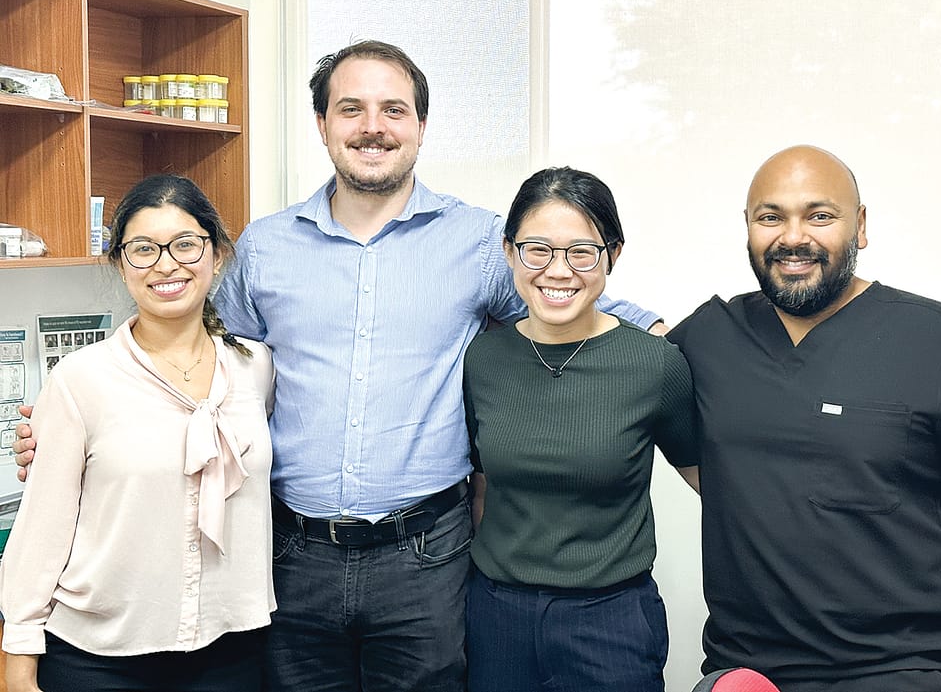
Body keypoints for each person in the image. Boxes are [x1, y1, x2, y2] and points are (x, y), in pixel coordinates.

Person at [12, 41, 667, 692]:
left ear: (420, 126)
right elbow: (198, 358)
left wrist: (699, 354)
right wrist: (75, 424)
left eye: (393, 110)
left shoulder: (475, 242)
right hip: (294, 558)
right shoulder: (266, 247)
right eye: (351, 108)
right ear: (323, 124)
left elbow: (579, 297)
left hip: (427, 557)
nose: (373, 126)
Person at [666, 145, 941, 692]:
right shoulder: (709, 337)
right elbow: (623, 370)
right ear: (747, 227)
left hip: (898, 669)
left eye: (819, 215)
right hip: (746, 671)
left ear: (860, 225)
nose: (793, 237)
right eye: (770, 217)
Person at [0, 175, 275, 692]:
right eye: (143, 249)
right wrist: (19, 660)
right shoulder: (81, 380)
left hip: (229, 648)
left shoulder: (254, 368)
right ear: (121, 264)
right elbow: (42, 529)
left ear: (215, 256)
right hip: (100, 655)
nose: (166, 264)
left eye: (185, 244)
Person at [462, 167, 698, 692]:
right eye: (537, 249)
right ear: (509, 252)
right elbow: (481, 483)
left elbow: (711, 483)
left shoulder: (654, 364)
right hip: (497, 616)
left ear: (612, 255)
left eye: (582, 252)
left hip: (610, 621)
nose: (558, 271)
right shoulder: (484, 358)